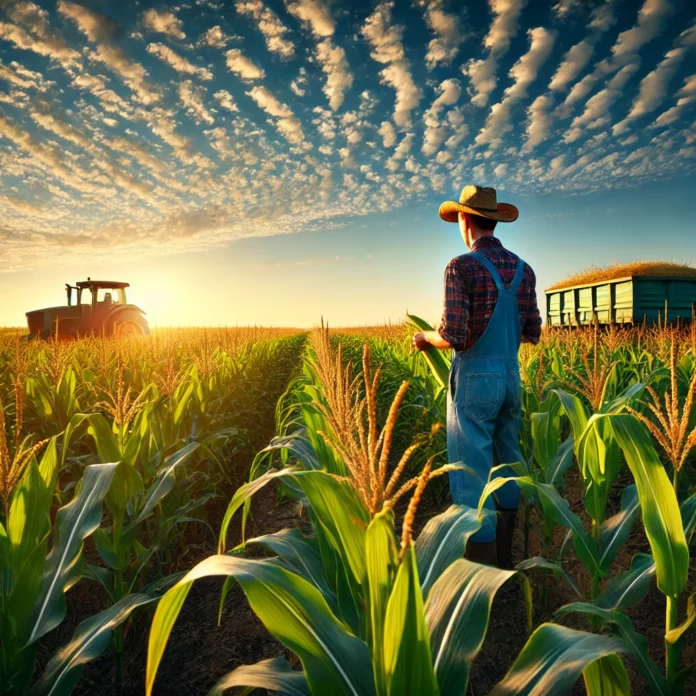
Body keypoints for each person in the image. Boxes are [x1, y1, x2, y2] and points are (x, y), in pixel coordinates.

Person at [412, 185, 541, 568]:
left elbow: (454, 334)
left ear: (464, 220)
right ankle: (505, 559)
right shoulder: (524, 269)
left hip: (475, 381)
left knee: (472, 473)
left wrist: (424, 338)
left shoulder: (460, 266)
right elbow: (532, 333)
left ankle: (479, 575)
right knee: (507, 461)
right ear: (493, 221)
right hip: (510, 377)